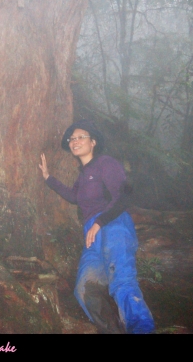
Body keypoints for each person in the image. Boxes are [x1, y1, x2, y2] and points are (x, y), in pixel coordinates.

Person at [38, 119, 155, 334]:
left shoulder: (106, 163)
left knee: (122, 280)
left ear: (93, 142)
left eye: (81, 136)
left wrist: (101, 222)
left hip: (113, 226)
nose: (75, 141)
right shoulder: (83, 175)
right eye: (72, 138)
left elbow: (123, 196)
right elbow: (74, 197)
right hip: (92, 234)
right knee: (84, 288)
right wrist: (48, 178)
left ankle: (142, 329)